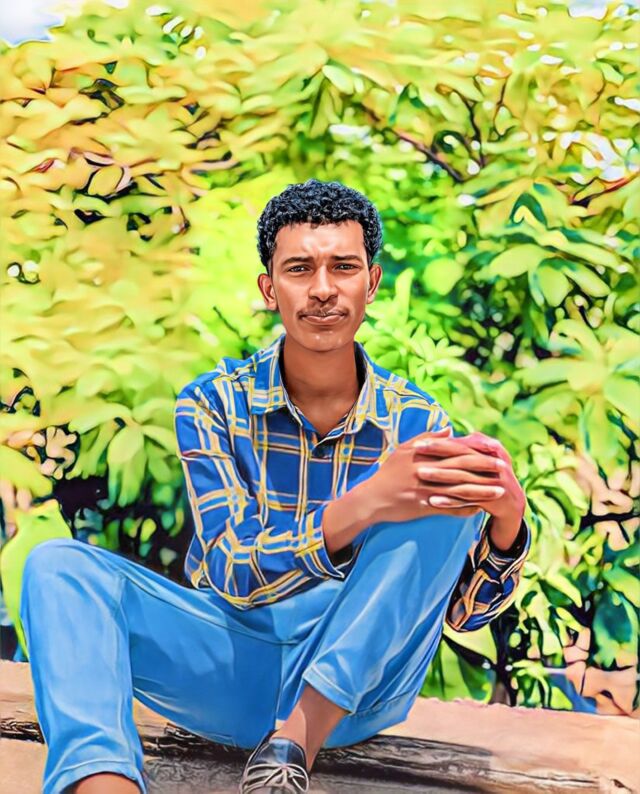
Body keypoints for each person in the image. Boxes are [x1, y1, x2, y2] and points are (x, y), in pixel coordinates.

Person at [19, 179, 531, 794]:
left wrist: (507, 525)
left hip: (355, 692)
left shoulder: (416, 422)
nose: (323, 289)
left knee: (444, 484)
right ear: (269, 289)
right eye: (300, 269)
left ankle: (294, 745)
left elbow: (458, 615)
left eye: (344, 267)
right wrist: (365, 503)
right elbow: (232, 569)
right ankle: (105, 786)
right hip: (229, 666)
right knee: (57, 566)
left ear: (371, 283)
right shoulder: (212, 404)